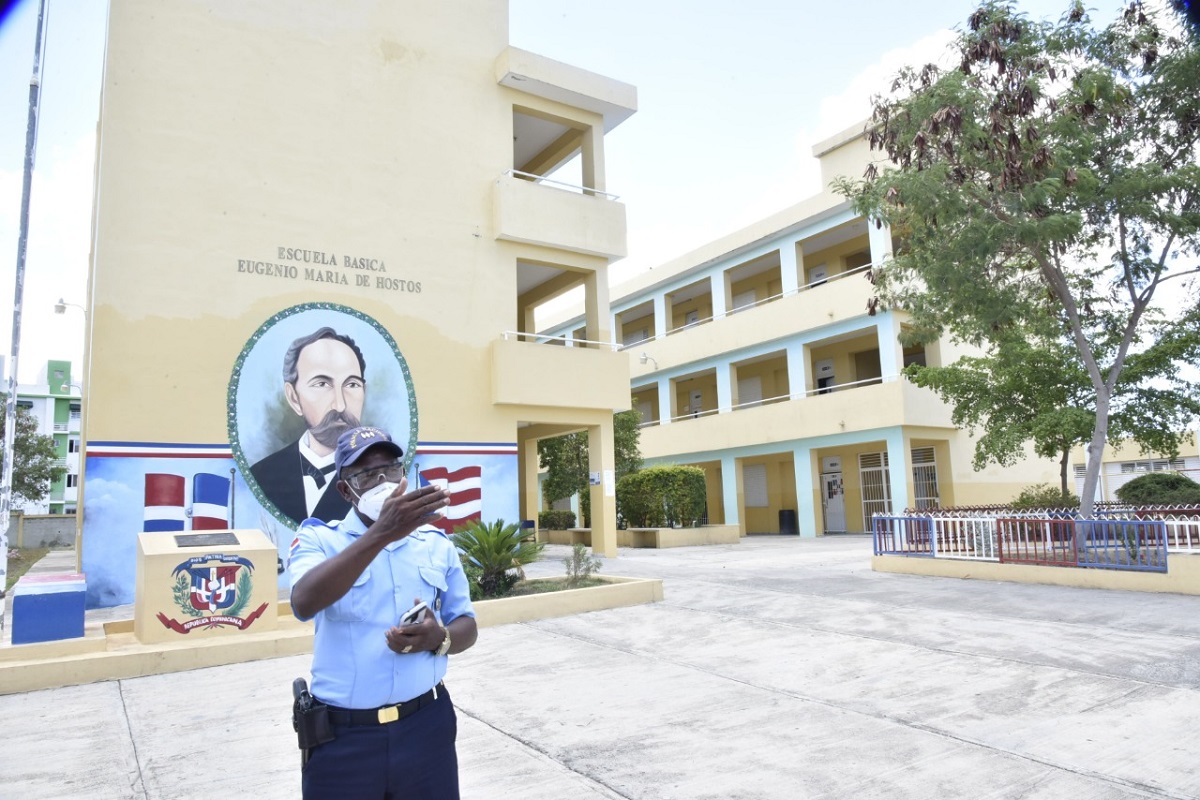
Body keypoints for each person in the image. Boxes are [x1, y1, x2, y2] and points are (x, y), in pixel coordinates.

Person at [289, 425, 478, 799]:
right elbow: (303, 602)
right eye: (364, 474)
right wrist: (381, 534)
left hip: (427, 728)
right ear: (345, 490)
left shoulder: (436, 544)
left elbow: (467, 625)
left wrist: (439, 639)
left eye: (390, 469)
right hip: (343, 741)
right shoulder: (318, 540)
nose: (382, 481)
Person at [251, 327, 366, 525]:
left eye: (352, 384)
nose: (340, 404)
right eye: (322, 384)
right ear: (293, 397)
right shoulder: (261, 476)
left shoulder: (384, 475)